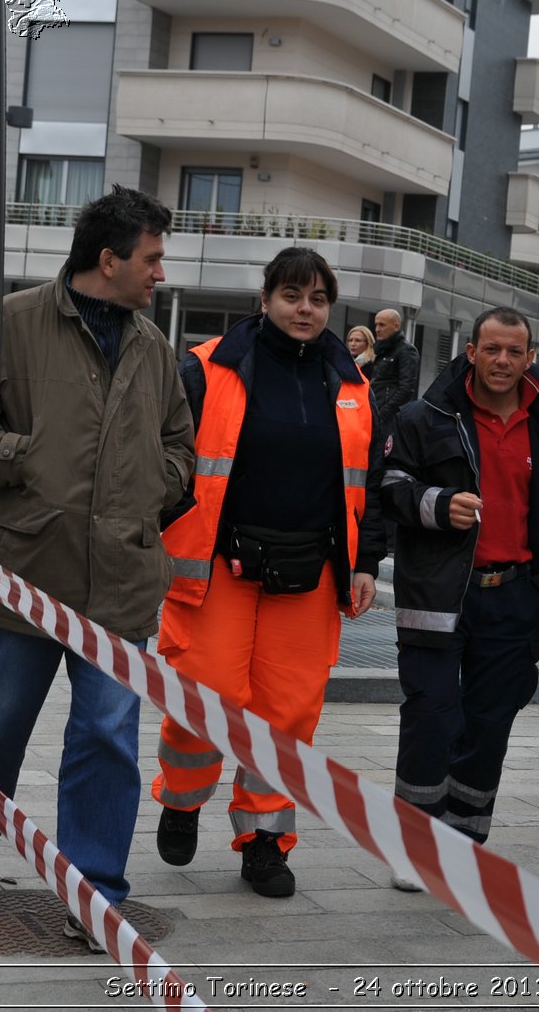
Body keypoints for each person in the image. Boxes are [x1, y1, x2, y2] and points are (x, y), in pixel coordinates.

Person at [0, 187, 195, 953]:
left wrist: (150, 490)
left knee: (107, 736)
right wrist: (31, 460)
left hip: (123, 583)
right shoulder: (14, 321)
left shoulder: (155, 347)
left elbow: (181, 450)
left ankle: (93, 891)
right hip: (28, 570)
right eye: (152, 258)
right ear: (109, 259)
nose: (160, 272)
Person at [152, 246, 380, 900]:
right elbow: (166, 458)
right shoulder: (205, 367)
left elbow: (373, 487)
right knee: (205, 695)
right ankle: (183, 797)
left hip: (308, 574)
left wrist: (365, 563)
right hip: (217, 570)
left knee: (288, 717)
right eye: (291, 295)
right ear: (265, 299)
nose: (304, 309)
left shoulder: (353, 385)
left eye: (316, 299)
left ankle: (264, 843)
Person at [382, 305, 539, 884]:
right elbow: (389, 486)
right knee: (432, 715)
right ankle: (415, 845)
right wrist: (440, 506)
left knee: (491, 720)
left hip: (516, 597)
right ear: (470, 352)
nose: (501, 361)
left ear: (529, 358)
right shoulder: (426, 416)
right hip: (438, 594)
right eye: (490, 349)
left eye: (513, 352)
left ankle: (464, 838)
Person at [367, 307, 419, 436]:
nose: (377, 329)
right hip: (374, 413)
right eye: (376, 325)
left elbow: (406, 389)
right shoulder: (382, 349)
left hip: (387, 420)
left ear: (396, 326)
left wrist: (383, 414)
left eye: (382, 325)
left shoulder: (406, 351)